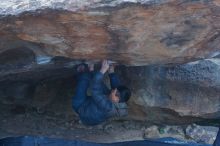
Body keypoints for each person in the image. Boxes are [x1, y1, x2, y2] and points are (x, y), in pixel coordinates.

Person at [72, 60, 131, 125]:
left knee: (85, 77)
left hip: (81, 109)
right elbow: (115, 86)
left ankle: (81, 73)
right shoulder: (118, 98)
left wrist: (102, 70)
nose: (114, 91)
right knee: (96, 81)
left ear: (116, 100)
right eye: (116, 90)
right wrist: (111, 71)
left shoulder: (107, 107)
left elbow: (95, 89)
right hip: (91, 105)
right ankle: (89, 72)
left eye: (116, 93)